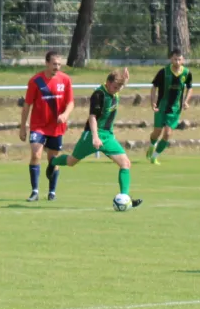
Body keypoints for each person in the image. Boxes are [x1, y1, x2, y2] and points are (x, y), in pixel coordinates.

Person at [47, 68, 143, 208]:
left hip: (108, 136)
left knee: (125, 163)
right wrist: (95, 137)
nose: (117, 90)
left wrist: (125, 81)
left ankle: (125, 197)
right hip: (92, 134)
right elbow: (92, 117)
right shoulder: (99, 94)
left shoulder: (114, 90)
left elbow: (119, 86)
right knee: (71, 161)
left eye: (120, 87)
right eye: (115, 87)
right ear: (108, 83)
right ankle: (53, 161)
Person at [19, 51, 74, 202]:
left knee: (53, 160)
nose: (57, 67)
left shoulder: (65, 80)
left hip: (56, 127)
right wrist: (23, 127)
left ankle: (52, 192)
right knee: (36, 155)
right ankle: (34, 191)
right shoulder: (35, 81)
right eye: (54, 64)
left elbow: (70, 102)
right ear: (47, 63)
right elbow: (27, 105)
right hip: (38, 126)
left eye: (59, 64)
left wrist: (65, 115)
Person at [146, 49, 193, 165]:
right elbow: (154, 87)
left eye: (179, 59)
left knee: (167, 133)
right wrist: (153, 102)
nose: (177, 61)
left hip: (175, 109)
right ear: (171, 59)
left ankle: (155, 157)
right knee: (157, 132)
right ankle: (152, 145)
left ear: (183, 60)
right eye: (175, 59)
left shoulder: (187, 73)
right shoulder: (163, 72)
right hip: (161, 107)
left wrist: (186, 101)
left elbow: (189, 87)